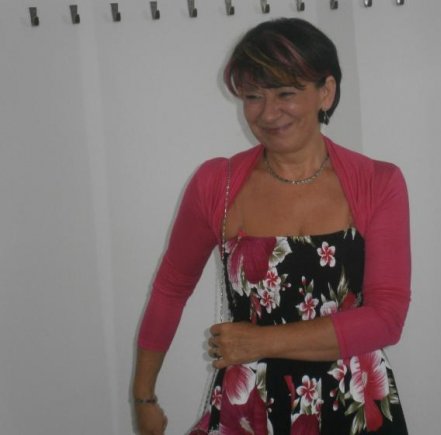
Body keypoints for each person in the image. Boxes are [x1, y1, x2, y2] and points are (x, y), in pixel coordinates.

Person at [132, 17, 411, 435]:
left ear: (326, 91)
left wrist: (260, 342)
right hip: (251, 409)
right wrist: (143, 397)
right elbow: (170, 289)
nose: (268, 112)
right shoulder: (217, 184)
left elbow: (386, 319)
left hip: (351, 405)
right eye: (253, 96)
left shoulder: (378, 182)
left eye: (286, 93)